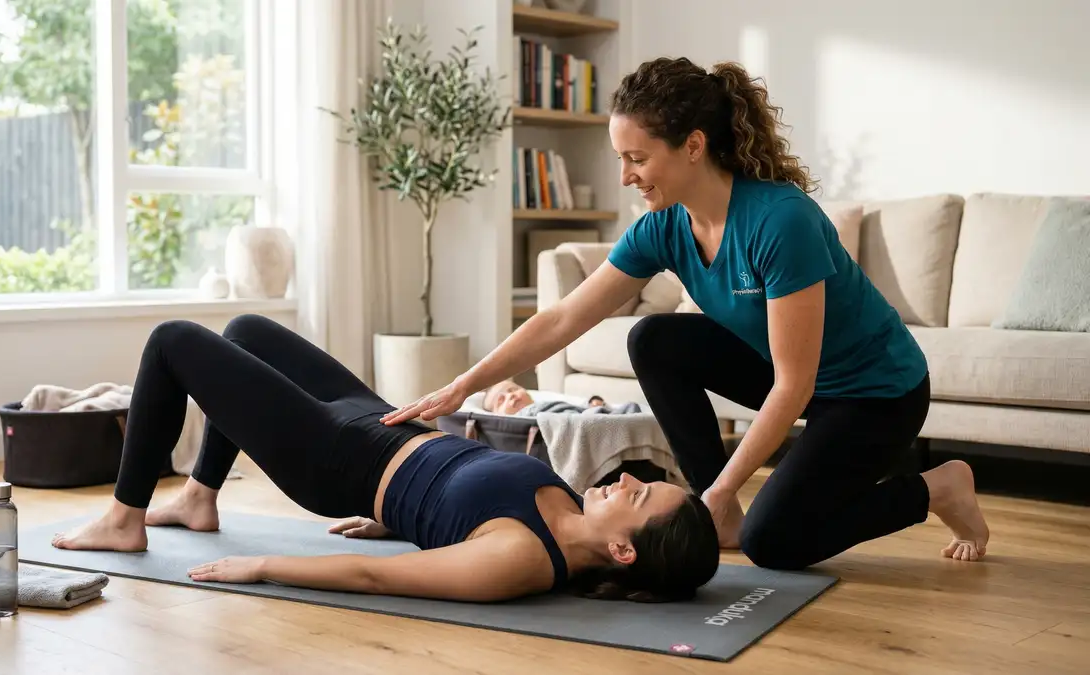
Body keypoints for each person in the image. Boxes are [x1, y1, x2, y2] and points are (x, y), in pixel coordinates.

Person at [381, 57, 990, 569]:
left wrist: (724, 494)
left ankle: (937, 487)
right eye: (621, 158)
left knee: (773, 543)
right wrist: (463, 385)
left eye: (637, 158)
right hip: (795, 379)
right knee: (653, 338)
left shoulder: (781, 222)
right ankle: (716, 508)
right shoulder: (666, 227)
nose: (625, 176)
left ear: (693, 146)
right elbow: (564, 318)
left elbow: (795, 381)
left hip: (875, 394)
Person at [49, 314, 720, 603]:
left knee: (173, 342)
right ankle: (199, 495)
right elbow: (460, 511)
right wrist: (409, 519)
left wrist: (262, 565)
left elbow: (378, 578)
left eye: (637, 496)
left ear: (625, 552)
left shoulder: (522, 559)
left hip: (336, 458)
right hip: (380, 419)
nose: (628, 478)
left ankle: (123, 515)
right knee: (244, 333)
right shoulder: (571, 507)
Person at [484, 379, 640, 416]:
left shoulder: (542, 404)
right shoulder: (524, 416)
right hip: (573, 421)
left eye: (513, 389)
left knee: (630, 407)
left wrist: (591, 404)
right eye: (501, 400)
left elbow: (569, 406)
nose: (510, 396)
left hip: (578, 415)